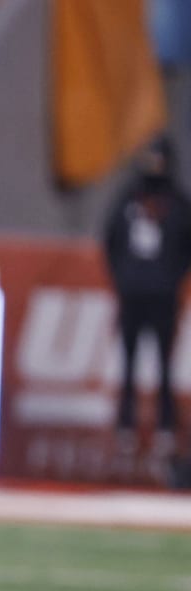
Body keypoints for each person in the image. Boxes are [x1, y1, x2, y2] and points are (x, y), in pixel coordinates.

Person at [102, 134, 191, 482]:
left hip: (163, 295)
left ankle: (166, 427)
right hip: (133, 293)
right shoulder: (128, 199)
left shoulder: (178, 202)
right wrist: (124, 278)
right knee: (129, 360)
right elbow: (110, 239)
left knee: (164, 365)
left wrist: (171, 278)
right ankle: (126, 425)